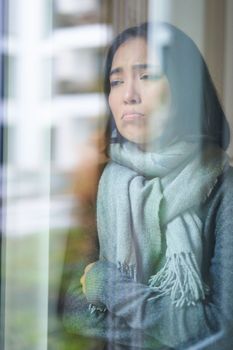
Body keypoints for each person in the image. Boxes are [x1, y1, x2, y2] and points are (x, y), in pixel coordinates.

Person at [63, 22, 233, 349]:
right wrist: (166, 323)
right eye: (116, 81)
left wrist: (108, 285)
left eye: (146, 76)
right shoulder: (109, 184)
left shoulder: (223, 189)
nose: (128, 95)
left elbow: (219, 331)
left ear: (185, 86)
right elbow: (73, 310)